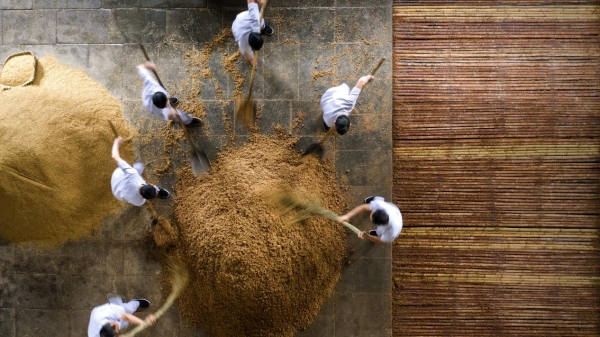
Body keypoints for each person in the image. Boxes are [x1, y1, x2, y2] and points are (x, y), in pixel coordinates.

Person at [136, 61, 202, 126]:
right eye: (166, 104)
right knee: (179, 115)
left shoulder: (151, 82)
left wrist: (147, 66)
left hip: (150, 94)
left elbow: (139, 67)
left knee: (169, 104)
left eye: (167, 101)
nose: (167, 104)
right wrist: (173, 112)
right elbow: (167, 114)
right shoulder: (159, 111)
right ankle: (188, 121)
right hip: (154, 105)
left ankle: (169, 102)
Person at [111, 136, 170, 207]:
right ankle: (160, 192)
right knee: (139, 167)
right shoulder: (132, 174)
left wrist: (116, 142)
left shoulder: (132, 173)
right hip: (117, 192)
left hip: (116, 178)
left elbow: (114, 156)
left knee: (138, 167)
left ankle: (157, 191)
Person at [338, 196, 402, 245]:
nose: (371, 210)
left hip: (396, 219)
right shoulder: (380, 205)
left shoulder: (392, 232)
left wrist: (368, 237)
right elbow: (364, 207)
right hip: (391, 209)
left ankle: (377, 234)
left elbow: (381, 242)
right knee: (375, 201)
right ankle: (374, 199)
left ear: (378, 224)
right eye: (373, 211)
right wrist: (348, 215)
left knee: (379, 234)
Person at [232, 0, 274, 67]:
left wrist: (260, 2)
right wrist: (252, 61)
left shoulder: (255, 18)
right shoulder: (243, 44)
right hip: (237, 26)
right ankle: (262, 27)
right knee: (259, 20)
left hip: (246, 19)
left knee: (260, 20)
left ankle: (263, 27)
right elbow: (247, 55)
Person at [87, 295, 156, 337]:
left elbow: (126, 316)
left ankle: (136, 302)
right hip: (106, 318)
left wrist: (144, 323)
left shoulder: (109, 312)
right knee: (126, 323)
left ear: (112, 323)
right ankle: (117, 301)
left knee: (129, 309)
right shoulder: (94, 335)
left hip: (107, 311)